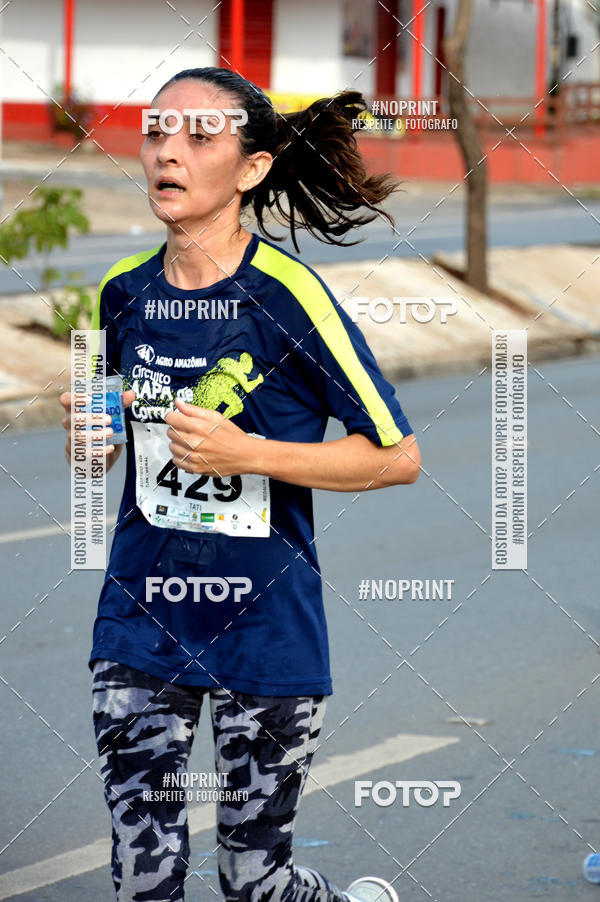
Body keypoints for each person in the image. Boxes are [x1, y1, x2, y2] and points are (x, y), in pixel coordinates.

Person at [60, 67, 421, 902]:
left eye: (197, 136)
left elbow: (395, 454)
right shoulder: (123, 293)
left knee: (254, 882)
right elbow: (114, 444)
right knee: (143, 879)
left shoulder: (290, 298)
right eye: (156, 132)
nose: (165, 153)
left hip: (267, 633)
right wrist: (92, 443)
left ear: (251, 169)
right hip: (139, 622)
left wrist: (248, 451)